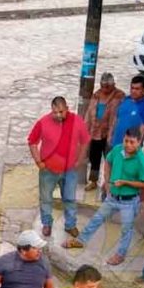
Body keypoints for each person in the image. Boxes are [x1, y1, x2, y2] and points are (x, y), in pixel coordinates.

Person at [63, 126, 144, 266]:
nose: (128, 145)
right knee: (97, 219)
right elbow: (108, 162)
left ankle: (120, 255)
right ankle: (80, 241)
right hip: (112, 197)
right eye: (126, 141)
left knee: (126, 229)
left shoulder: (142, 160)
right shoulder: (117, 149)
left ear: (139, 142)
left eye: (132, 142)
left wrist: (125, 182)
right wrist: (107, 180)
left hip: (129, 201)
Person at [28, 96, 90, 238]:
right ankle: (47, 224)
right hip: (48, 170)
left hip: (70, 170)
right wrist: (38, 162)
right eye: (55, 112)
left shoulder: (77, 121)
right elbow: (32, 142)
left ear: (67, 109)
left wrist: (80, 160)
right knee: (46, 198)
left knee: (69, 198)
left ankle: (70, 225)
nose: (58, 115)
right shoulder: (43, 122)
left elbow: (85, 140)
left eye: (61, 112)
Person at [82, 73, 125, 190]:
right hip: (95, 132)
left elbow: (120, 116)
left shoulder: (119, 96)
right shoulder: (96, 95)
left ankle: (109, 183)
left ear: (113, 85)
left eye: (107, 86)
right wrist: (85, 129)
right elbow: (89, 113)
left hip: (111, 133)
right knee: (94, 158)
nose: (104, 89)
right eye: (102, 86)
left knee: (110, 159)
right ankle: (93, 181)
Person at [110, 76, 144, 148]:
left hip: (130, 147)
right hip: (115, 144)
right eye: (132, 88)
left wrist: (137, 147)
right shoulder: (125, 99)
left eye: (137, 89)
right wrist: (110, 135)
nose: (133, 91)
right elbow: (116, 118)